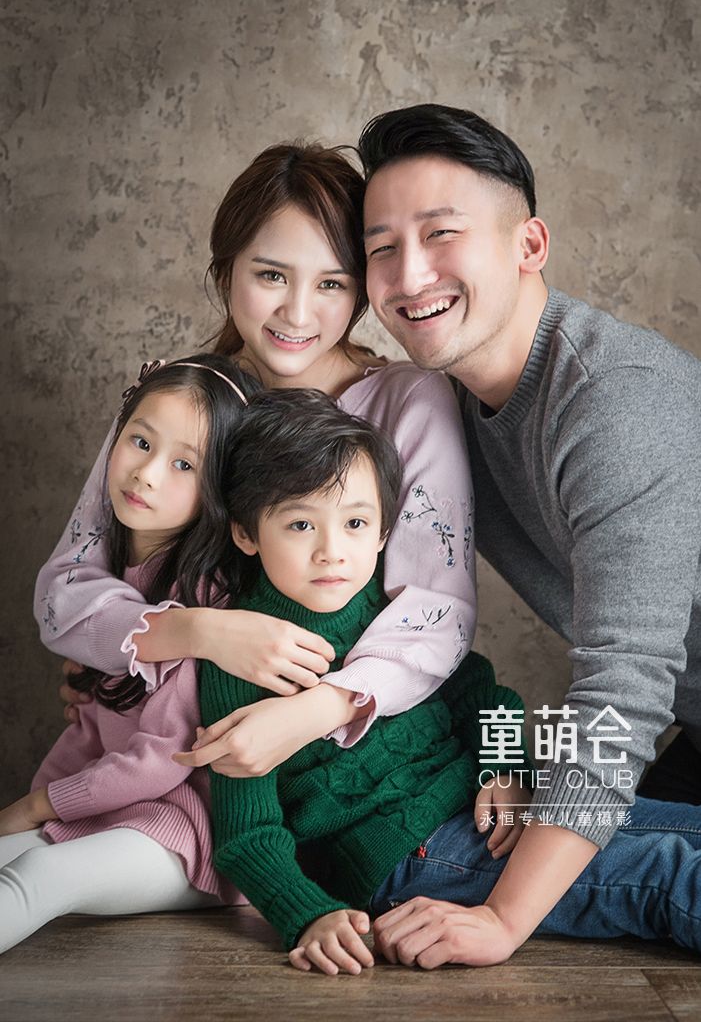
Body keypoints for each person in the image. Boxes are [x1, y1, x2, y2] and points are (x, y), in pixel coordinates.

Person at [356, 103, 701, 966]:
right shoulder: (442, 405)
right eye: (380, 248)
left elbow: (622, 687)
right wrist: (140, 654)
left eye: (441, 233)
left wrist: (503, 922)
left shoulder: (611, 400)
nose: (409, 274)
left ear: (529, 245)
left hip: (650, 708)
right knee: (470, 846)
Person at [197, 387, 701, 976]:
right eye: (301, 524)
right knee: (662, 873)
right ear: (246, 532)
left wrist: (506, 771)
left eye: (355, 522)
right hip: (411, 856)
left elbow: (485, 697)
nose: (332, 552)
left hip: (486, 808)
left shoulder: (396, 607)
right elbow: (247, 832)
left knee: (689, 828)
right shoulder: (241, 655)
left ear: (383, 531)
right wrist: (308, 915)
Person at [34, 143, 477, 779]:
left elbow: (438, 613)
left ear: (360, 293)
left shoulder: (408, 402)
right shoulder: (175, 400)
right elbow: (65, 593)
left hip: (347, 770)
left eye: (331, 284)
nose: (297, 313)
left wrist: (316, 710)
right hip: (157, 759)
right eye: (271, 275)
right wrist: (193, 633)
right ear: (226, 272)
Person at [0, 355, 260, 953]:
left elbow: (162, 760)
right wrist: (44, 810)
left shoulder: (207, 599)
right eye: (140, 442)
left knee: (38, 878)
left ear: (220, 490)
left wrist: (39, 806)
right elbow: (90, 730)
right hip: (115, 807)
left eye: (184, 465)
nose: (146, 474)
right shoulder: (116, 583)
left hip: (188, 830)